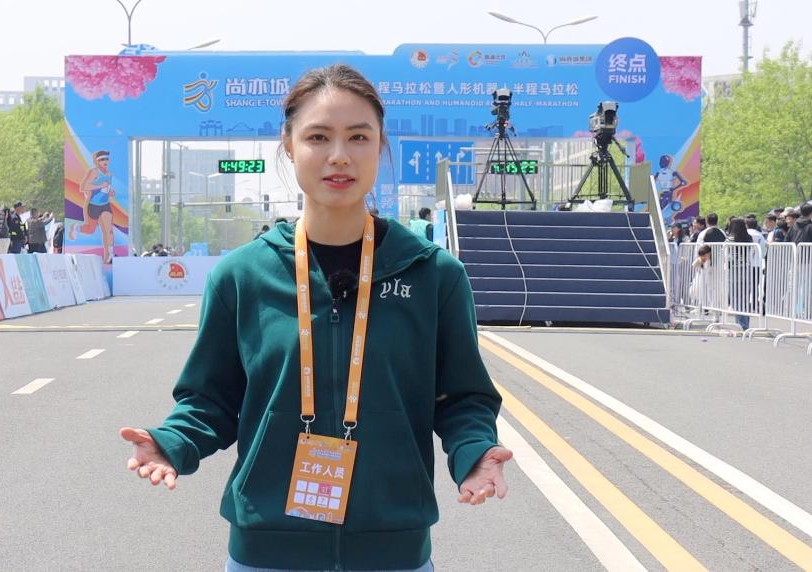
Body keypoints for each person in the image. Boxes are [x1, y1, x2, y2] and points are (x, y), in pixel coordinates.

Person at [119, 64, 509, 572]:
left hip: (393, 551)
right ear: (288, 145)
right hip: (266, 552)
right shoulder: (242, 276)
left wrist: (475, 451)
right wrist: (172, 442)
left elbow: (462, 397)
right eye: (318, 137)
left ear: (380, 145)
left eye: (358, 137)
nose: (339, 155)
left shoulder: (434, 275)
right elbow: (211, 399)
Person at [75, 150, 116, 264]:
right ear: (97, 161)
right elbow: (83, 187)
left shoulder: (109, 174)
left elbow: (106, 189)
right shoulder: (94, 172)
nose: (105, 161)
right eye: (102, 159)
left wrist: (110, 192)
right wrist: (100, 185)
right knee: (90, 230)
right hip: (93, 205)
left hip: (105, 205)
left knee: (109, 230)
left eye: (106, 159)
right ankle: (77, 228)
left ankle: (110, 254)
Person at [726, 219, 760, 330]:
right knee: (744, 298)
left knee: (736, 298)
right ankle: (745, 323)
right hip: (747, 268)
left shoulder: (730, 239)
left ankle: (741, 324)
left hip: (735, 269)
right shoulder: (748, 238)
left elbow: (725, 253)